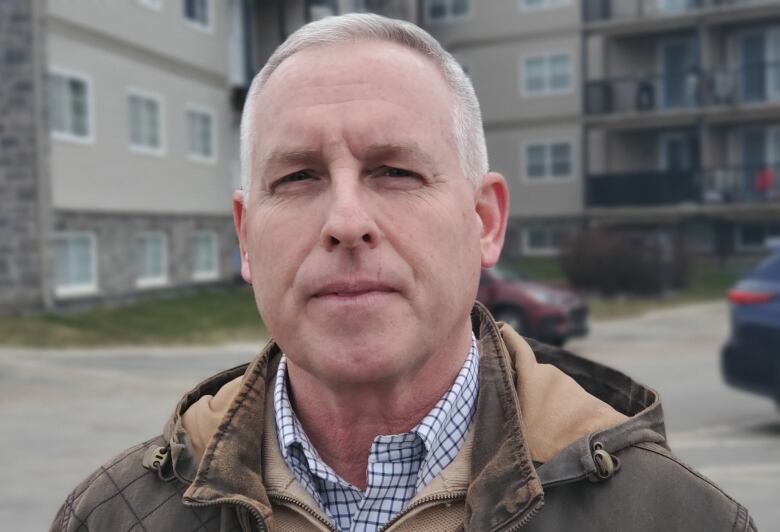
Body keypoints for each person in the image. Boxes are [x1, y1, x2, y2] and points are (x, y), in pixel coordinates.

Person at [51, 14, 756, 532]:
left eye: (394, 171)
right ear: (244, 235)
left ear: (484, 221)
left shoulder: (676, 517)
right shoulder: (114, 519)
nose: (346, 219)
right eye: (297, 177)